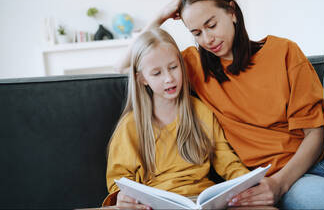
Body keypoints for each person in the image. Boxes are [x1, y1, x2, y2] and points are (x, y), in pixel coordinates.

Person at [117, 0, 324, 208]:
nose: (207, 39)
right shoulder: (192, 67)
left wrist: (279, 184)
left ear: (232, 11)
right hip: (295, 182)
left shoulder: (283, 51)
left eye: (211, 24)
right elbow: (128, 66)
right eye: (196, 33)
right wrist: (160, 16)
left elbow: (315, 133)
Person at [103, 27, 263, 209]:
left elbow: (225, 160)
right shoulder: (131, 126)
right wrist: (123, 197)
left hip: (201, 200)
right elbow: (119, 181)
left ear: (181, 64)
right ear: (142, 79)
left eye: (173, 67)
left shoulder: (200, 111)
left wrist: (247, 182)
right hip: (154, 204)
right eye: (157, 73)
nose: (169, 78)